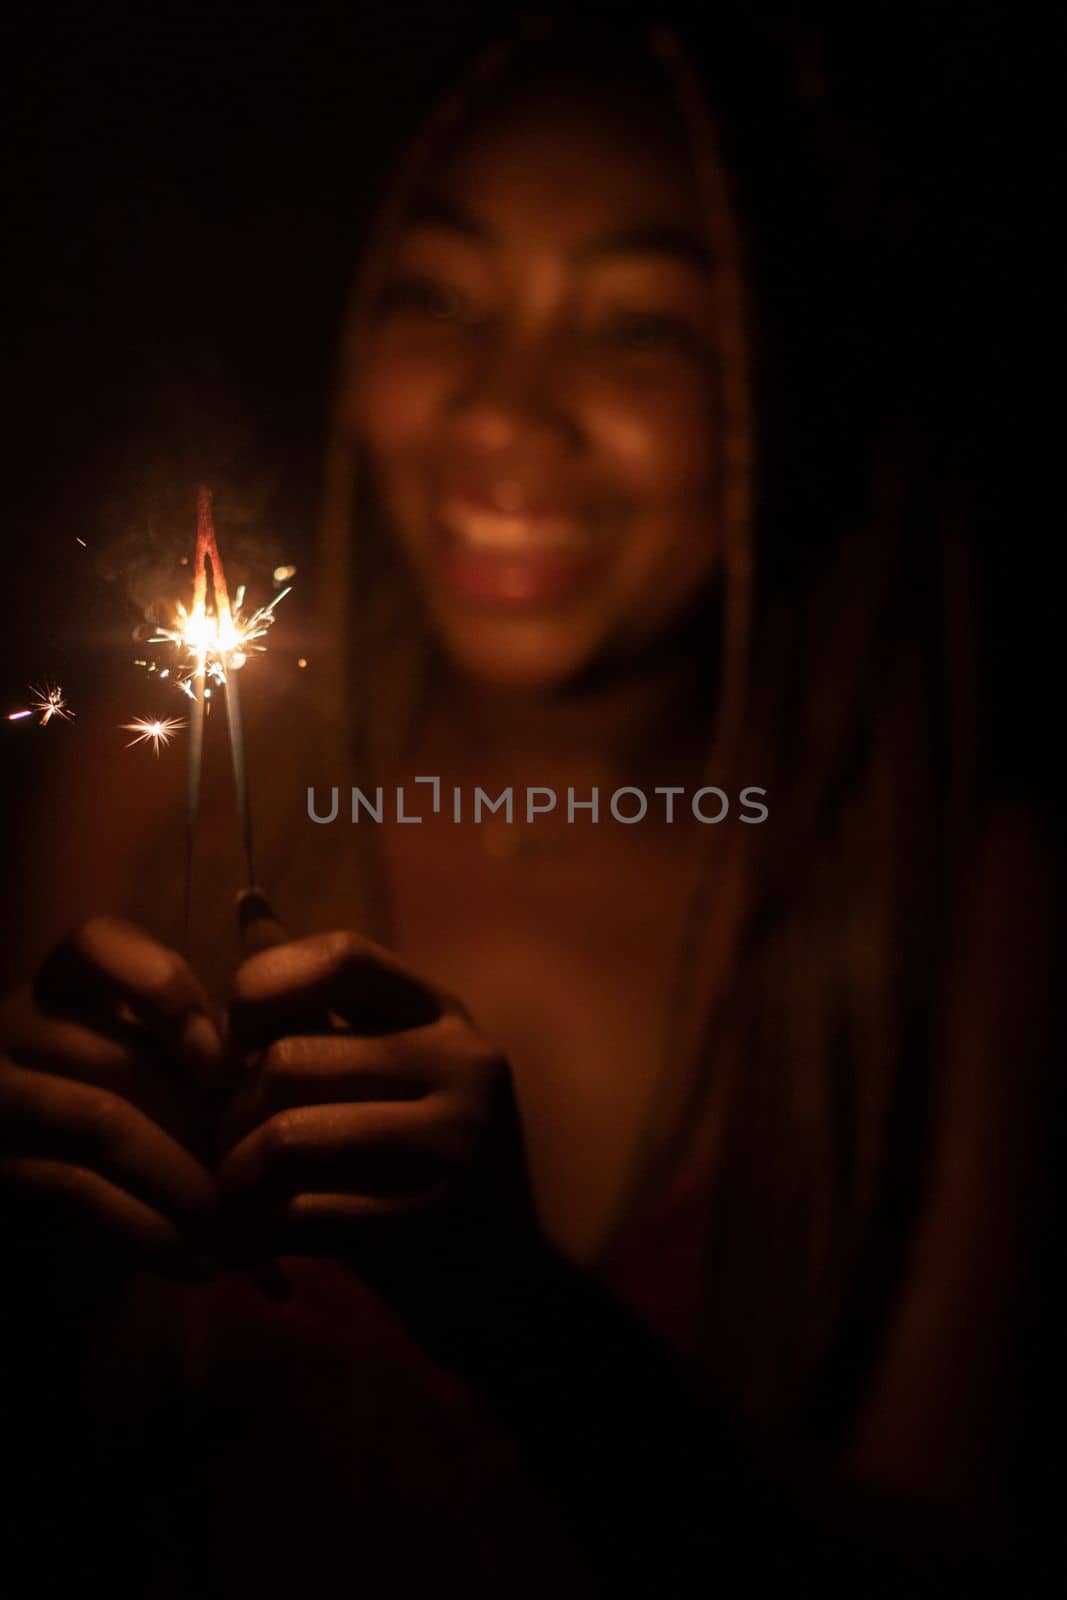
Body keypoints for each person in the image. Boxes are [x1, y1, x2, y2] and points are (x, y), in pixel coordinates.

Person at [0, 17, 1054, 1597]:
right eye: (441, 297)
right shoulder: (152, 788)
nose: (507, 412)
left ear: (792, 369)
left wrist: (515, 1315)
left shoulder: (951, 905)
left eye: (639, 329)